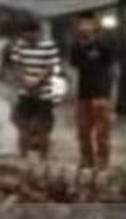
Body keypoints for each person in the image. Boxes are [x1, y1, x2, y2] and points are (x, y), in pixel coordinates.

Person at [69, 12, 116, 170]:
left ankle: (103, 160)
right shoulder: (75, 48)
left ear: (94, 25)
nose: (85, 27)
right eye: (82, 24)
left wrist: (110, 92)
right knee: (83, 129)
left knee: (102, 130)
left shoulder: (104, 46)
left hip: (101, 93)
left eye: (88, 24)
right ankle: (86, 159)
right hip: (83, 93)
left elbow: (112, 67)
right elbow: (74, 68)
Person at [9, 17, 61, 160]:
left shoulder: (49, 46)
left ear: (37, 32)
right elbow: (16, 66)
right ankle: (22, 155)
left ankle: (43, 157)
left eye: (30, 34)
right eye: (25, 35)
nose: (27, 38)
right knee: (23, 126)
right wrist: (25, 82)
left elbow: (51, 67)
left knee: (44, 127)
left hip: (44, 93)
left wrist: (37, 82)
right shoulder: (20, 45)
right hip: (25, 92)